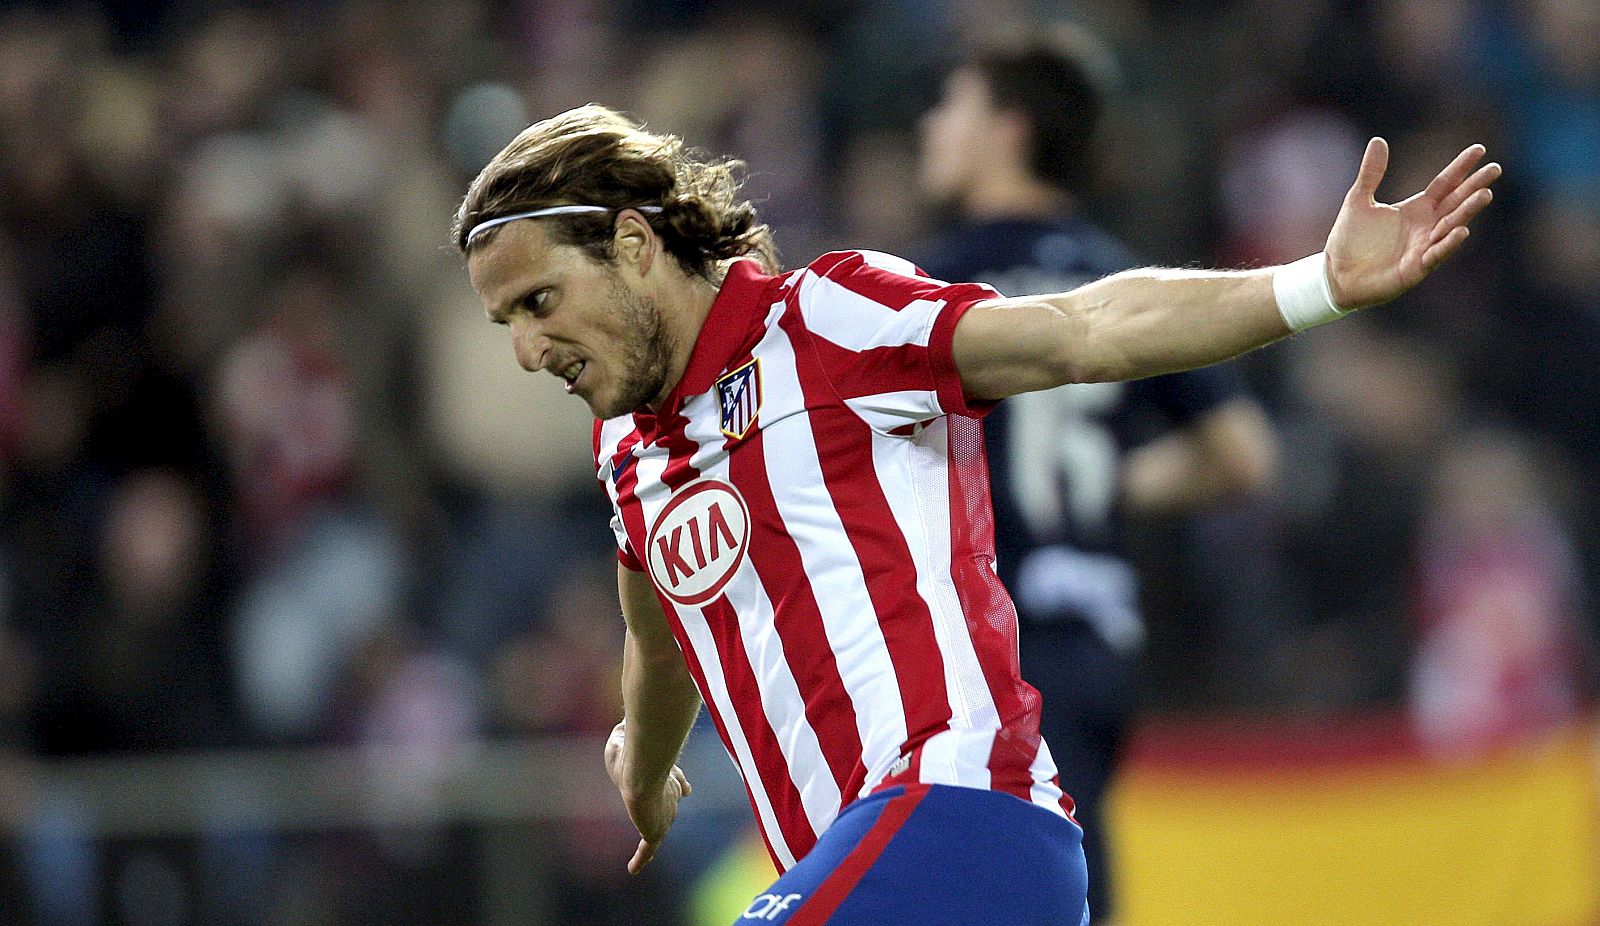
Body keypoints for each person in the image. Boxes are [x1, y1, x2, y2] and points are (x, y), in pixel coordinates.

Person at [451, 104, 1498, 925]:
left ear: (634, 243)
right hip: (865, 875)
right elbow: (660, 633)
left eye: (539, 300)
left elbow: (1083, 330)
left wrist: (1315, 284)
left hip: (961, 816)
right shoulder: (627, 450)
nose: (524, 350)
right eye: (504, 320)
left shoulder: (824, 322)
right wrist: (642, 767)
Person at [912, 29, 1278, 922]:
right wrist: (1106, 485)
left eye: (951, 104)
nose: (931, 126)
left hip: (990, 649)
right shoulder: (1120, 284)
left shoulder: (931, 290)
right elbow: (1244, 455)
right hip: (1101, 641)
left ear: (1008, 127)